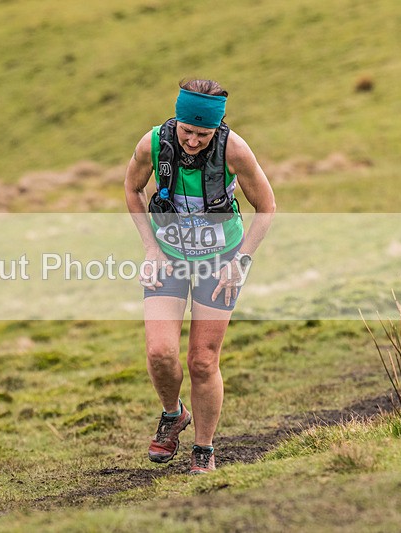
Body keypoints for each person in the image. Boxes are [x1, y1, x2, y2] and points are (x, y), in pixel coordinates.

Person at [124, 79, 275, 474]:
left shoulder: (234, 150)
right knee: (159, 353)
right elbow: (132, 188)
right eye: (187, 131)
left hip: (220, 261)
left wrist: (240, 261)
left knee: (203, 361)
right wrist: (151, 248)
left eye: (203, 135)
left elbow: (267, 207)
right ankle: (173, 414)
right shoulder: (153, 144)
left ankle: (204, 449)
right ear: (177, 121)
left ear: (216, 128)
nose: (192, 141)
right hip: (169, 256)